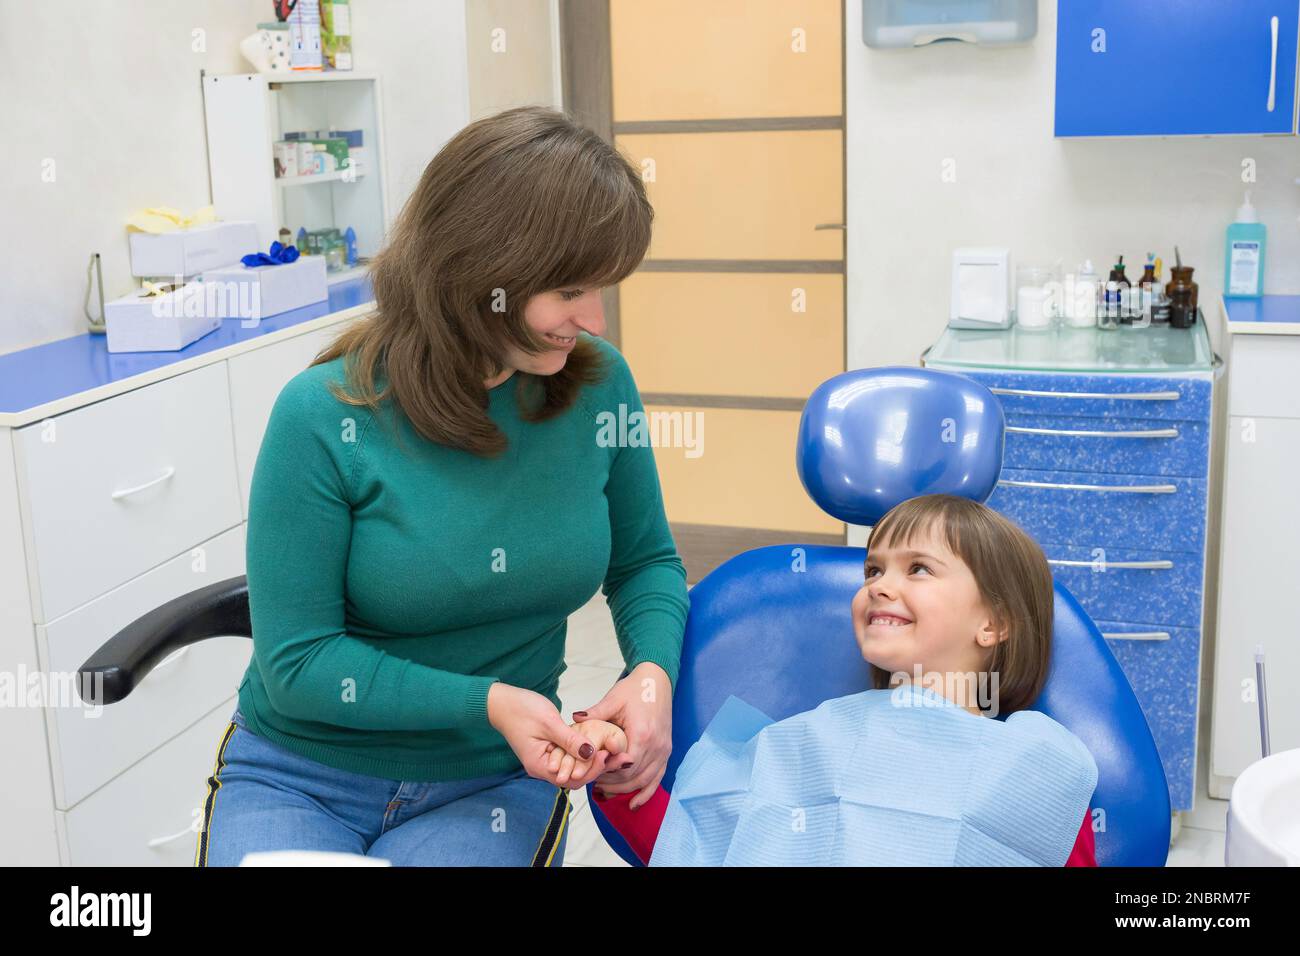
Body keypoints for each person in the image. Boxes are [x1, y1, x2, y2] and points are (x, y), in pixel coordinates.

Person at [195, 106, 688, 867]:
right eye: (569, 290)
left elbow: (645, 562)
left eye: (600, 288)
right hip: (302, 776)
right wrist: (485, 703)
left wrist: (650, 676)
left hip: (491, 781)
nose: (592, 319)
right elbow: (297, 663)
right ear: (483, 275)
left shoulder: (598, 388)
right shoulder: (323, 415)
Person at [582, 494, 1099, 866]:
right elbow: (693, 848)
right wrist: (620, 771)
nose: (880, 587)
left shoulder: (1034, 768)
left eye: (918, 569)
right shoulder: (801, 746)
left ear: (994, 622)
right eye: (873, 571)